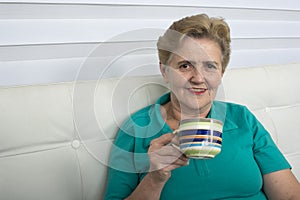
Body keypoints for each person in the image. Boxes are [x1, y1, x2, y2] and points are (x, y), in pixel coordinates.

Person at [104, 14, 300, 199]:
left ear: (221, 73)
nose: (198, 78)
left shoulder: (242, 118)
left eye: (210, 66)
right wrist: (155, 178)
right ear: (164, 71)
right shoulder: (135, 130)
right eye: (185, 66)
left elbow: (290, 195)